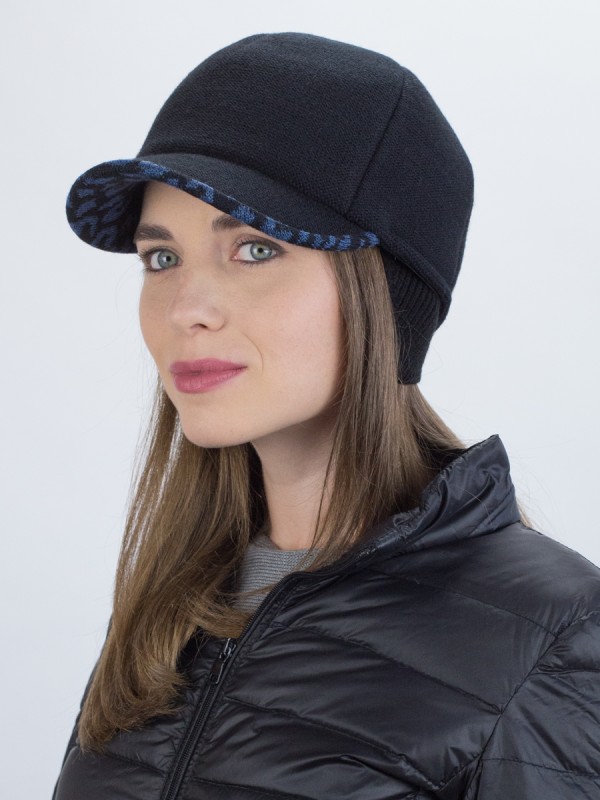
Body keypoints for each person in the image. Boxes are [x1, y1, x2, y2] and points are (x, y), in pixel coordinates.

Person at [53, 32, 600, 800]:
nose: (186, 309)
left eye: (254, 250)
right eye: (162, 258)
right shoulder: (171, 611)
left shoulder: (554, 637)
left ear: (386, 290)